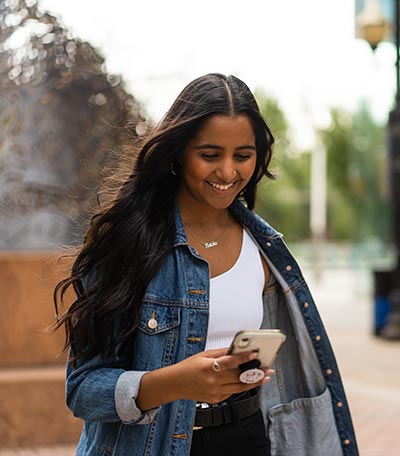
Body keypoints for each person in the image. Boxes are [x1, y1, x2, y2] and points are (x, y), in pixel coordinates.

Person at [54, 73, 359, 456]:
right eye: (210, 155)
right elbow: (82, 390)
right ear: (179, 153)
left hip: (248, 439)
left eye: (243, 156)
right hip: (153, 445)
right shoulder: (129, 243)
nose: (228, 172)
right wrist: (175, 383)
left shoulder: (267, 251)